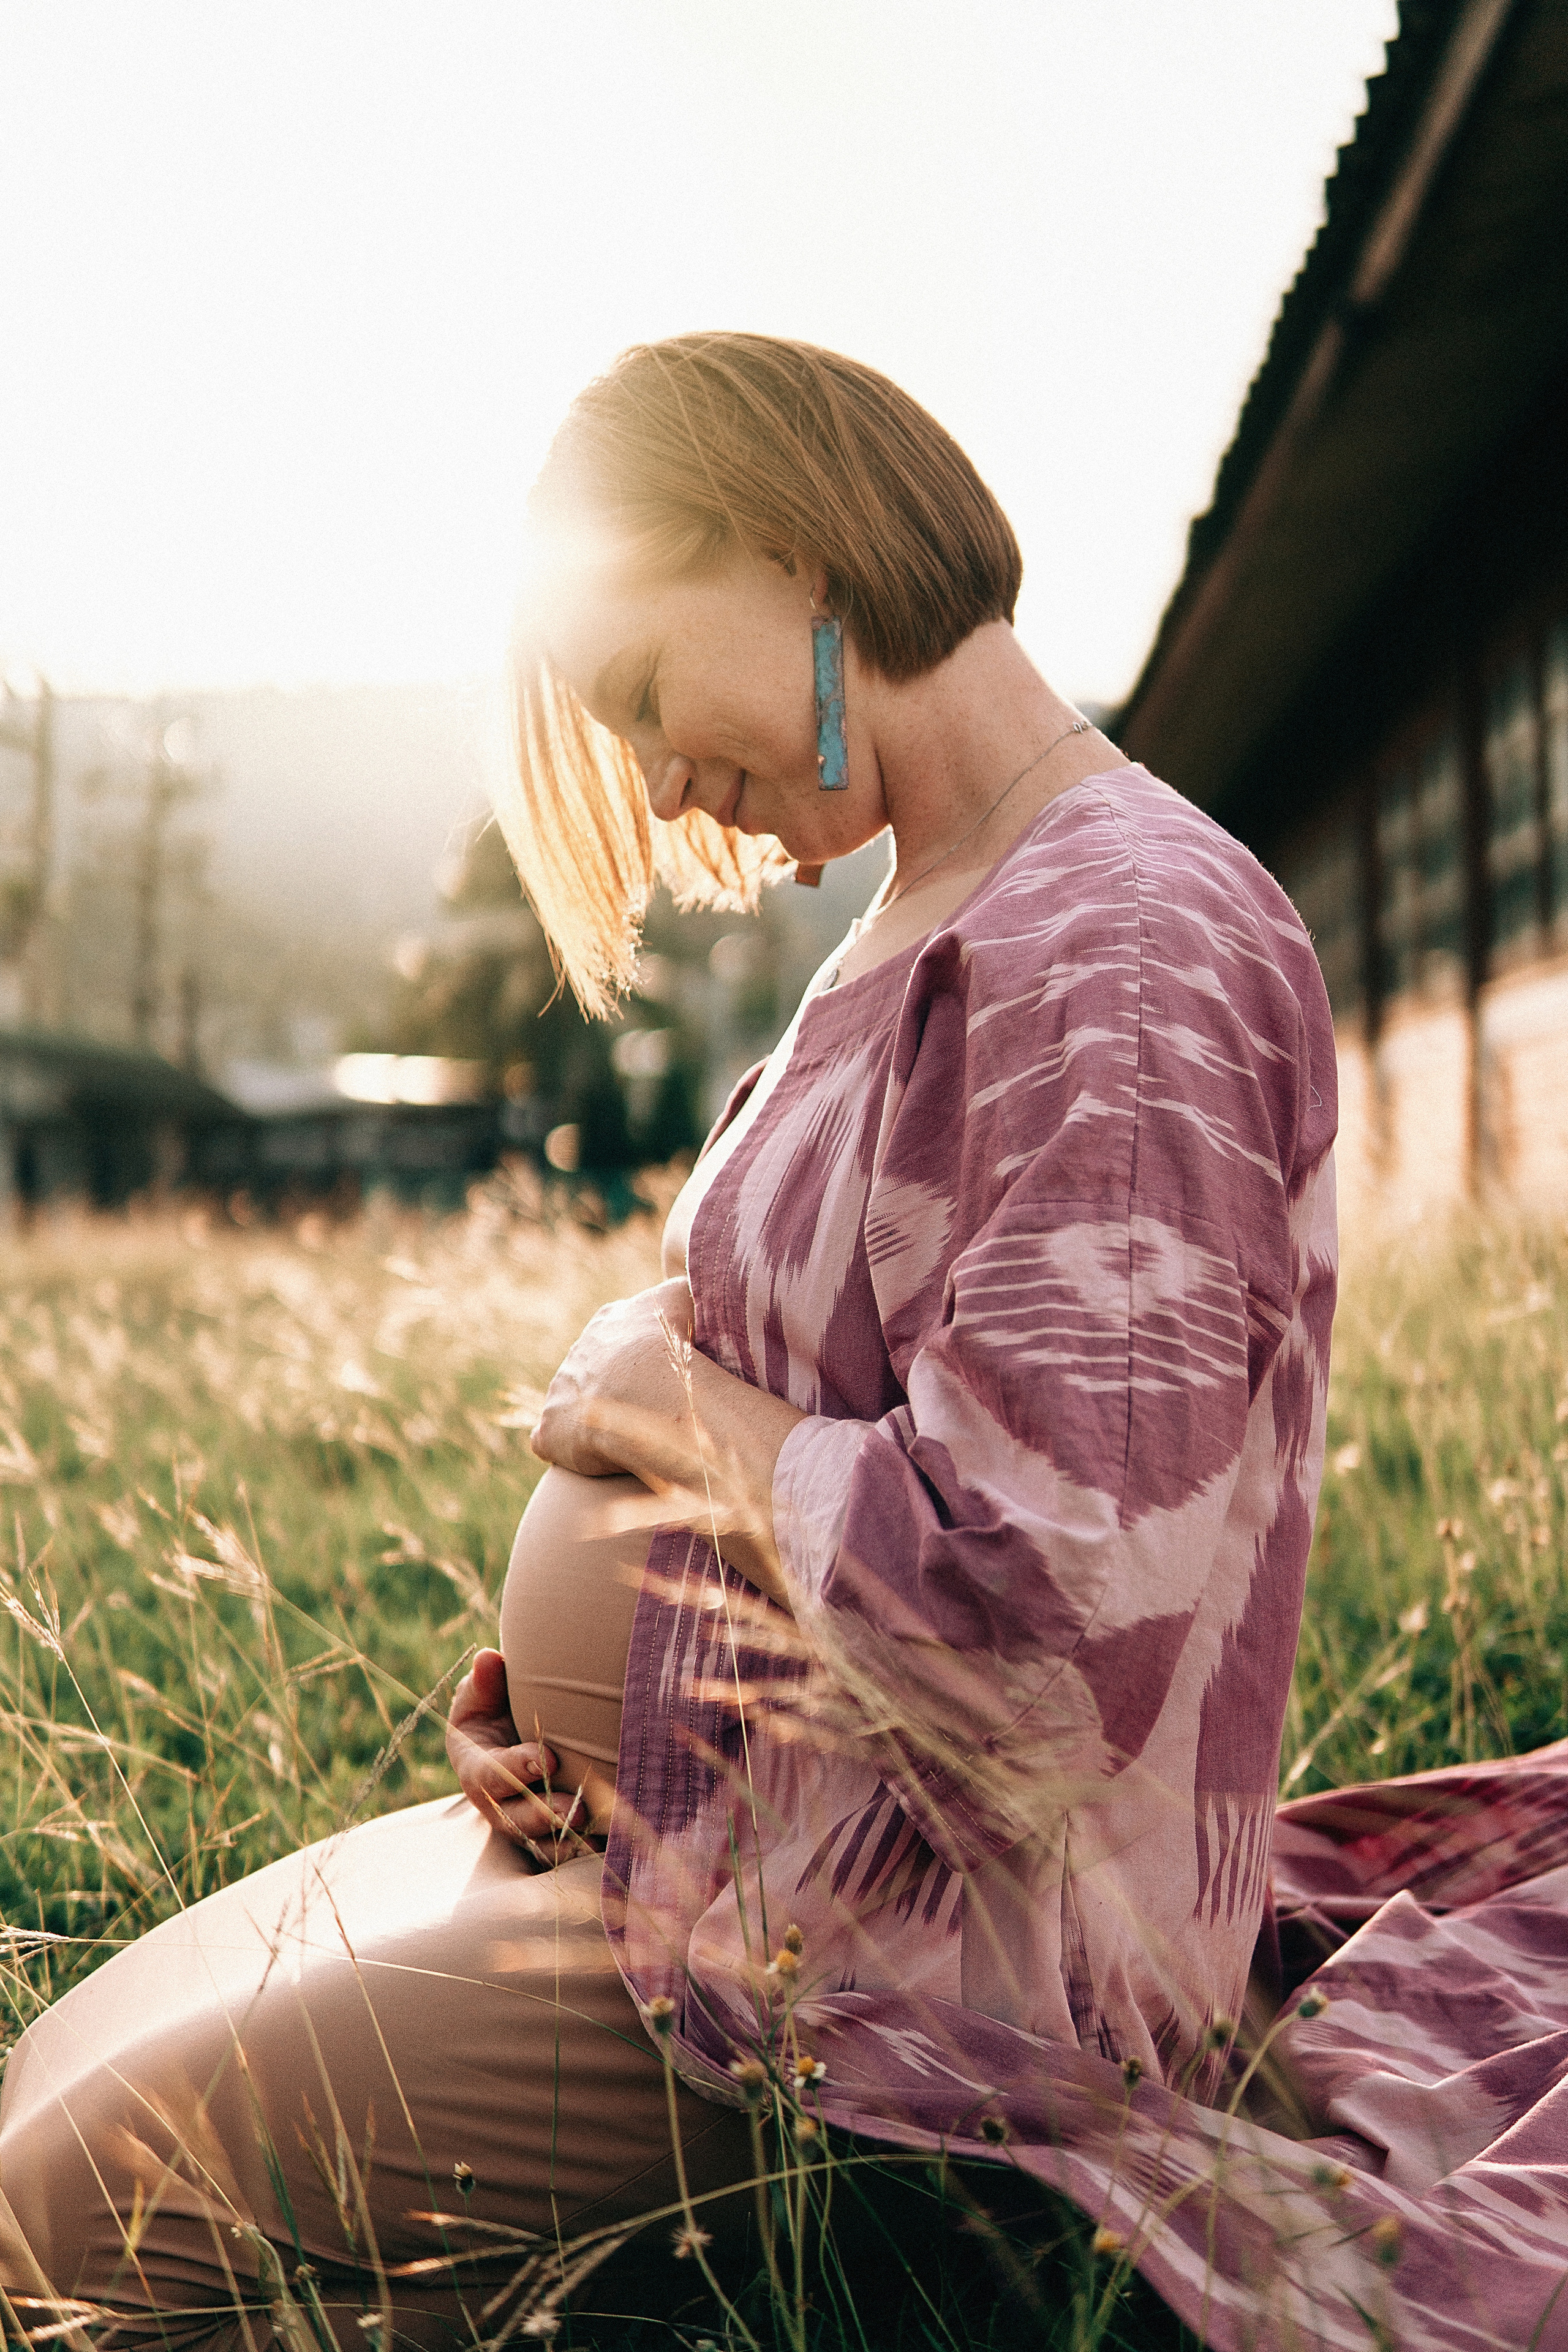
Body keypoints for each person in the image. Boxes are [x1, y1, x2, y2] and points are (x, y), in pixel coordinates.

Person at [9, 330, 1466, 2352]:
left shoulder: (1119, 946)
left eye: (640, 699)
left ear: (787, 541)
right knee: (36, 2098)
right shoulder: (915, 910)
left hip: (905, 1986)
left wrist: (668, 1409)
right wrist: (559, 1695)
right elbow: (818, 1388)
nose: (664, 785)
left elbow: (1050, 1661)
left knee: (49, 2243)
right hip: (692, 1845)